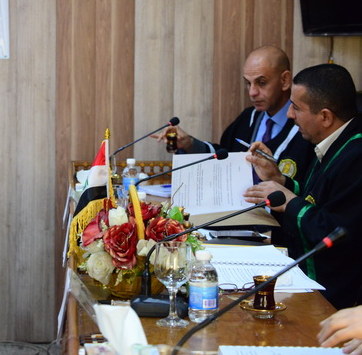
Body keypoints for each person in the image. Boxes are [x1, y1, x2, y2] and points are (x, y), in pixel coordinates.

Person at [243, 63, 362, 309]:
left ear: (325, 117)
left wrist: (288, 202)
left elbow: (334, 231)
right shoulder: (337, 141)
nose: (289, 114)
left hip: (334, 298)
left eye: (296, 107)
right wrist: (280, 180)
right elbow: (319, 200)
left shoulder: (357, 156)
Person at [155, 45, 314, 183]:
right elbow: (224, 156)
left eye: (262, 83)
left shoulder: (306, 127)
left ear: (285, 80)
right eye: (248, 83)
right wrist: (189, 144)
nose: (252, 92)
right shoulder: (249, 117)